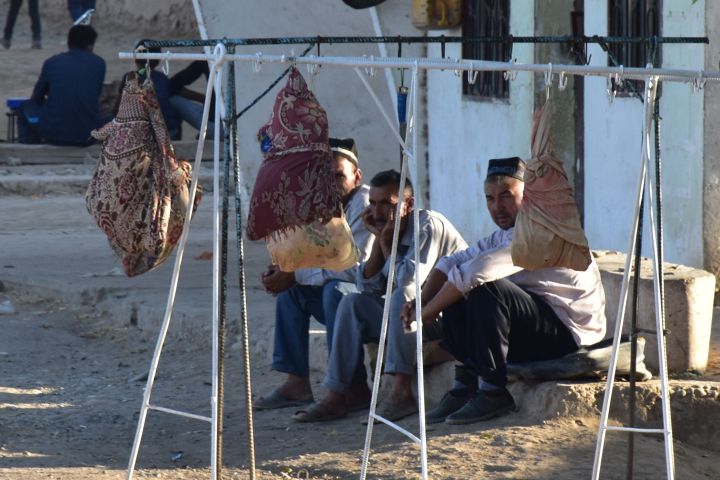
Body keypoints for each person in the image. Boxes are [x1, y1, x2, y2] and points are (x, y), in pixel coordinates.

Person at [400, 157, 607, 425]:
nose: (497, 207)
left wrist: (426, 313)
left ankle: (493, 391)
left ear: (528, 195)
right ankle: (465, 385)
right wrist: (420, 302)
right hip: (537, 330)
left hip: (570, 336)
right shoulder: (505, 234)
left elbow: (478, 271)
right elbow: (453, 261)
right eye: (490, 198)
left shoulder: (541, 231)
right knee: (460, 284)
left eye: (506, 196)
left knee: (487, 289)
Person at [293, 169, 467, 422]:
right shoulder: (386, 229)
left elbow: (408, 280)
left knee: (402, 295)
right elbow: (368, 287)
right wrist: (378, 240)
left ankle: (401, 393)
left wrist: (386, 243)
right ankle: (336, 395)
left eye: (387, 203)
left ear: (409, 204)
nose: (377, 212)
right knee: (352, 302)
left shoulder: (427, 225)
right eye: (373, 203)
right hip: (410, 320)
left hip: (444, 316)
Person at [254, 138, 375, 410]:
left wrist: (295, 273)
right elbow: (301, 252)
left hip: (371, 300)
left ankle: (352, 387)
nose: (330, 184)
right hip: (336, 292)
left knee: (336, 293)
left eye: (338, 176)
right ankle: (296, 383)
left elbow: (351, 268)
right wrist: (282, 270)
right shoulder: (316, 202)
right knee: (291, 295)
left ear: (356, 177)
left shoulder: (365, 204)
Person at [17, 25, 105, 146]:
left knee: (24, 107)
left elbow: (36, 98)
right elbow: (95, 96)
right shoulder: (99, 63)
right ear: (91, 45)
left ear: (69, 43)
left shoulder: (53, 62)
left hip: (53, 134)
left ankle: (28, 146)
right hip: (88, 135)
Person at [115, 47, 182, 140]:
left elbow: (119, 106)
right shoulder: (162, 78)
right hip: (167, 130)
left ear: (136, 58)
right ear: (158, 60)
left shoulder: (130, 76)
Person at [168, 60, 217, 137]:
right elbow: (174, 85)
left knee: (172, 100)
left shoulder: (209, 57)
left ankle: (173, 135)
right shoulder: (209, 57)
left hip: (215, 124)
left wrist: (203, 99)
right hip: (223, 123)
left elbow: (172, 86)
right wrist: (204, 99)